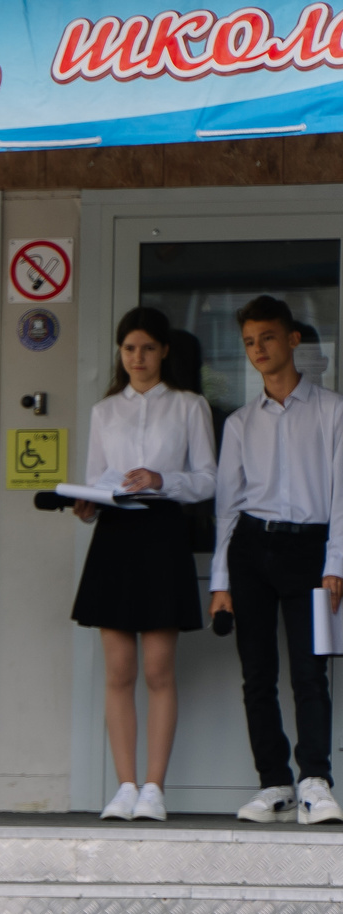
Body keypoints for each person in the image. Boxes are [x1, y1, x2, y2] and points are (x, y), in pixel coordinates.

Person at [74, 306, 219, 823]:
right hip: (114, 535)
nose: (138, 358)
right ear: (121, 353)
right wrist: (88, 505)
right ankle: (125, 786)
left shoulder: (189, 406)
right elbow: (97, 477)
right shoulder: (104, 411)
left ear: (164, 351)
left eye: (148, 348)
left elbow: (209, 480)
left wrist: (162, 480)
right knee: (118, 671)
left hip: (162, 533)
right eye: (129, 348)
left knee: (158, 669)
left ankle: (154, 788)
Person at [210, 295, 343, 825]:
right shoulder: (241, 423)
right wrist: (221, 580)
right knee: (257, 674)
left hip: (310, 548)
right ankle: (274, 784)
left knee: (311, 672)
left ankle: (315, 780)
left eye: (267, 337)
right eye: (249, 342)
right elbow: (226, 508)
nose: (258, 349)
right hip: (252, 549)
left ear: (292, 340)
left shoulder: (332, 410)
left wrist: (336, 562)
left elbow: (341, 495)